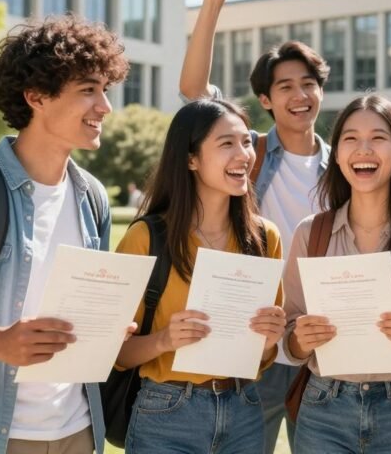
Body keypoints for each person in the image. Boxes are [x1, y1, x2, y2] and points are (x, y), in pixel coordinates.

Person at [0, 16, 128, 454]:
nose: (105, 106)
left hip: (79, 431)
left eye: (106, 89)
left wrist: (106, 328)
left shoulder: (93, 197)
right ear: (36, 97)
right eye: (88, 89)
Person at [180, 0, 330, 453]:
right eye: (285, 86)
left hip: (319, 345)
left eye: (308, 83)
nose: (299, 95)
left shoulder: (346, 166)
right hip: (257, 341)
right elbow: (193, 92)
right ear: (265, 99)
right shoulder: (251, 154)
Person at [283, 94, 391, 453]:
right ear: (337, 154)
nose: (363, 149)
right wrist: (302, 338)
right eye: (350, 138)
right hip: (324, 409)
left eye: (378, 138)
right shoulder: (310, 234)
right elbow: (290, 342)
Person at [114, 98, 286, 453]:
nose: (244, 154)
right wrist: (163, 340)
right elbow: (114, 353)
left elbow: (263, 357)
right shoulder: (146, 238)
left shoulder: (265, 237)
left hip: (244, 410)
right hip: (166, 413)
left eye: (246, 142)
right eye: (227, 144)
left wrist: (269, 340)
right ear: (191, 159)